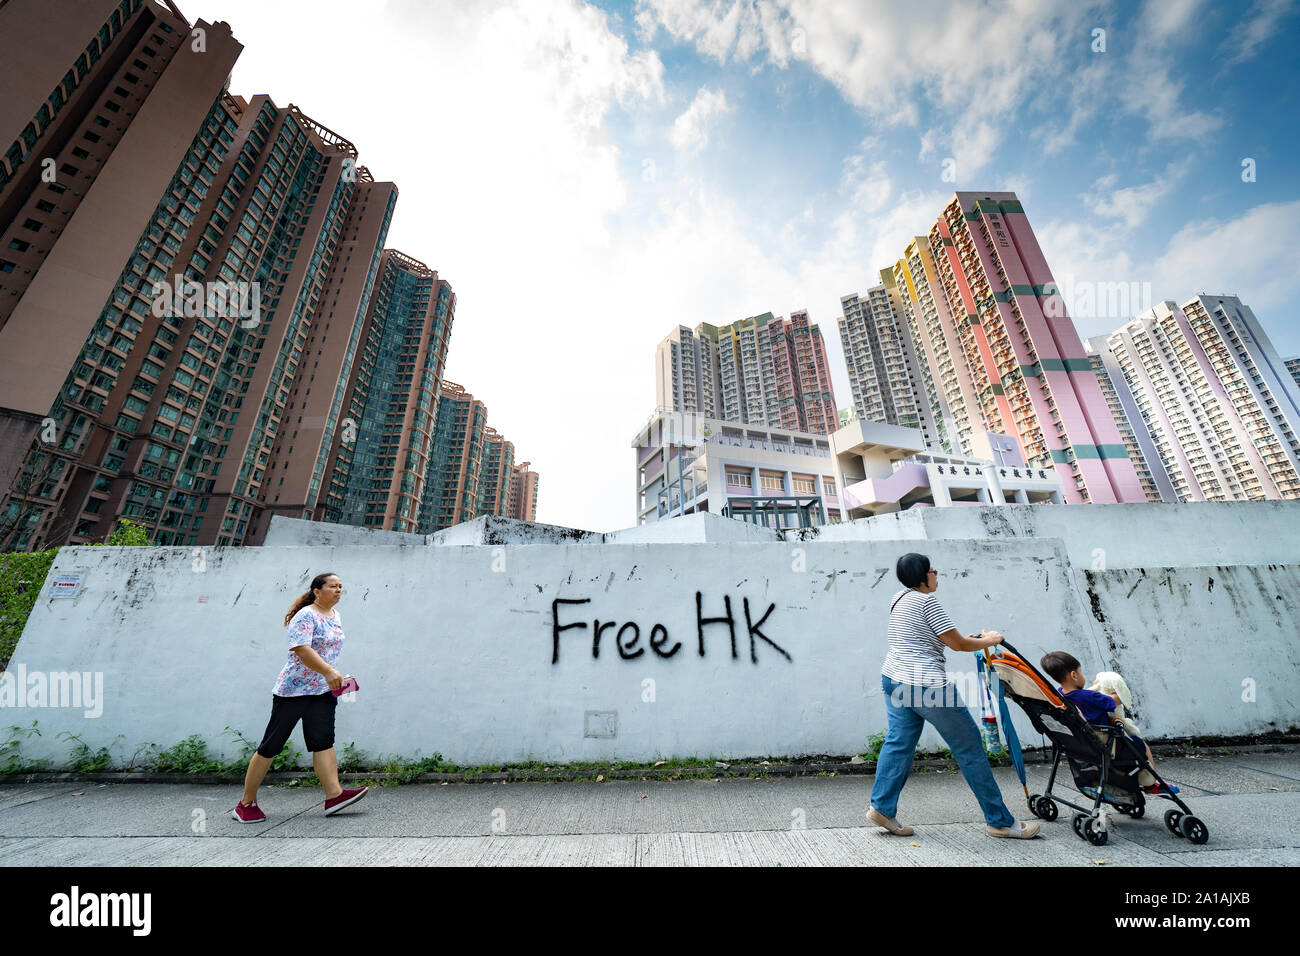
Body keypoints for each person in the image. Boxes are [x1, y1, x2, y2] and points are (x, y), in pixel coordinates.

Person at [867, 552, 1041, 839]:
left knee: (898, 742)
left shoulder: (897, 599)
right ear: (923, 576)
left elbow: (931, 637)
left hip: (894, 678)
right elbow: (958, 644)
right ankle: (1000, 822)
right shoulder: (927, 601)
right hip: (927, 687)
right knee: (970, 749)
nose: (937, 574)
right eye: (932, 570)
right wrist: (991, 639)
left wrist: (979, 640)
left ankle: (882, 808)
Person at [232, 572, 368, 822]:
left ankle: (334, 795)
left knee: (323, 742)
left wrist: (332, 675)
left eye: (341, 587)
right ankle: (245, 804)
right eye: (332, 586)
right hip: (293, 691)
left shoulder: (335, 616)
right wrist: (328, 671)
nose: (338, 590)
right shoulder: (305, 615)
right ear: (317, 591)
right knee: (271, 746)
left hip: (322, 691)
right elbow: (302, 649)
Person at [1040, 651, 1176, 795]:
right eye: (1081, 672)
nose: (1083, 676)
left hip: (1082, 747)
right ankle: (1151, 783)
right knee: (1140, 744)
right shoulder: (1088, 696)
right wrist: (1118, 689)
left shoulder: (1060, 696)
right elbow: (1113, 701)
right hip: (1107, 745)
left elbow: (1086, 699)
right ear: (1074, 675)